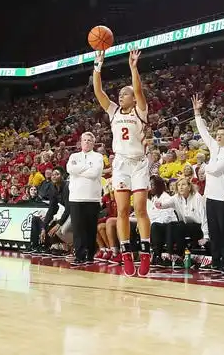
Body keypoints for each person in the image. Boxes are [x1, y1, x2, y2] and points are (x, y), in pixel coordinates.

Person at [93, 49, 152, 277]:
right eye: (119, 94)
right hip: (120, 164)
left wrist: (133, 67)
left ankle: (146, 253)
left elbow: (138, 89)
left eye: (124, 94)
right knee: (123, 210)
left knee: (140, 208)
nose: (120, 96)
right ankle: (126, 253)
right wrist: (98, 66)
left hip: (138, 163)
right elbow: (98, 91)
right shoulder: (114, 112)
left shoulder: (140, 111)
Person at [192, 94, 224, 273]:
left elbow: (216, 169)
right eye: (217, 135)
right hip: (210, 196)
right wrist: (197, 113)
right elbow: (203, 132)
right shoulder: (215, 147)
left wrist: (203, 167)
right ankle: (216, 259)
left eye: (221, 135)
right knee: (214, 231)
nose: (217, 137)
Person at [66, 132, 104, 265]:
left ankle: (90, 255)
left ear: (93, 143)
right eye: (84, 140)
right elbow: (69, 169)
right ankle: (79, 256)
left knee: (90, 228)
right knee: (77, 228)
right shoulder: (74, 156)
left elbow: (95, 173)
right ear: (80, 142)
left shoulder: (98, 156)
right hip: (76, 198)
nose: (87, 142)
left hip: (92, 198)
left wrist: (78, 170)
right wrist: (87, 167)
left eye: (89, 140)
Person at [154, 177, 209, 267]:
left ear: (189, 187)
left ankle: (179, 256)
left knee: (178, 225)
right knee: (156, 226)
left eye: (183, 184)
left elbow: (204, 217)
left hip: (197, 228)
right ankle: (158, 256)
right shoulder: (177, 197)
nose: (181, 187)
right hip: (184, 226)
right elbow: (166, 204)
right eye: (179, 185)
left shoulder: (197, 197)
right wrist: (160, 204)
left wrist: (205, 236)